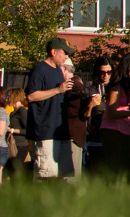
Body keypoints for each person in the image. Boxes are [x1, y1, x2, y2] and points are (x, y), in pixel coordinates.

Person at [27, 37, 79, 180]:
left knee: (63, 176)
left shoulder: (57, 70)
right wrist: (57, 90)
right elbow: (31, 96)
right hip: (46, 132)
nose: (66, 57)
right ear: (53, 52)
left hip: (60, 132)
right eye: (65, 53)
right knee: (46, 177)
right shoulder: (39, 69)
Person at [101, 54, 130, 177]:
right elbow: (111, 112)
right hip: (113, 131)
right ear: (127, 69)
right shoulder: (117, 87)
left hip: (128, 131)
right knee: (115, 168)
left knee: (126, 169)